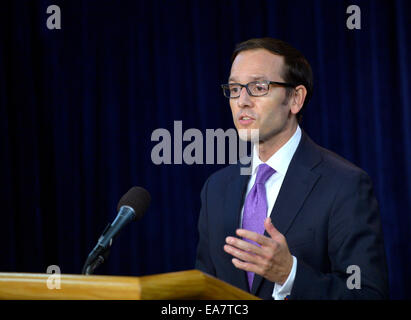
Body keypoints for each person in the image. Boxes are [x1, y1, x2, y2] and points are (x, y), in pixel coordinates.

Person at [195, 37, 389, 300]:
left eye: (258, 87)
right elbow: (205, 290)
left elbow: (368, 295)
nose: (242, 101)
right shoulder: (216, 188)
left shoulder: (345, 184)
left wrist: (290, 274)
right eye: (234, 88)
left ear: (295, 99)